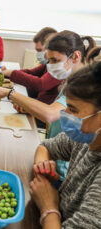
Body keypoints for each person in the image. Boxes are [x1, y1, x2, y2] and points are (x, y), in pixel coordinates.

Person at [0, 30, 95, 182]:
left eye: (55, 60)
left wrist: (10, 93)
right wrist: (30, 108)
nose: (50, 66)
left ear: (75, 56)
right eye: (49, 61)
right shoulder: (70, 81)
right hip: (54, 158)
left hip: (66, 173)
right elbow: (57, 117)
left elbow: (50, 114)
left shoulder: (84, 87)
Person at [29, 61, 101, 228]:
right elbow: (45, 146)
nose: (65, 115)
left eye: (73, 110)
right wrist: (42, 166)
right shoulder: (85, 137)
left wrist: (49, 207)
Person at [2, 27, 60, 105]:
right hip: (38, 102)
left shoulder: (59, 68)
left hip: (43, 107)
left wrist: (11, 73)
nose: (38, 54)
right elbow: (31, 72)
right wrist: (7, 74)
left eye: (40, 50)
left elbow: (40, 84)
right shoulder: (48, 63)